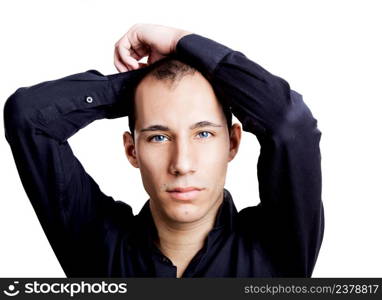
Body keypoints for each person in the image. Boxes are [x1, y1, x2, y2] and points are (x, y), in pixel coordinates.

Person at [3, 23, 324, 278]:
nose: (182, 164)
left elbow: (289, 125)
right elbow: (28, 117)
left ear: (233, 143)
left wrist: (180, 42)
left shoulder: (279, 249)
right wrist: (149, 85)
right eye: (158, 137)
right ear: (132, 150)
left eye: (203, 134)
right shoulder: (95, 246)